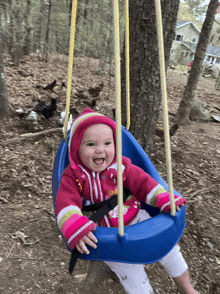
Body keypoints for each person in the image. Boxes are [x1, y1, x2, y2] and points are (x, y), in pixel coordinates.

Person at [56, 108, 200, 294]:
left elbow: (144, 182)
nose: (101, 150)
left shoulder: (121, 165)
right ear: (77, 148)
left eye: (107, 143)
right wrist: (74, 225)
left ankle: (188, 288)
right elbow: (65, 201)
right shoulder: (75, 176)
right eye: (91, 144)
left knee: (171, 249)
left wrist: (162, 198)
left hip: (138, 217)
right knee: (133, 276)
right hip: (110, 232)